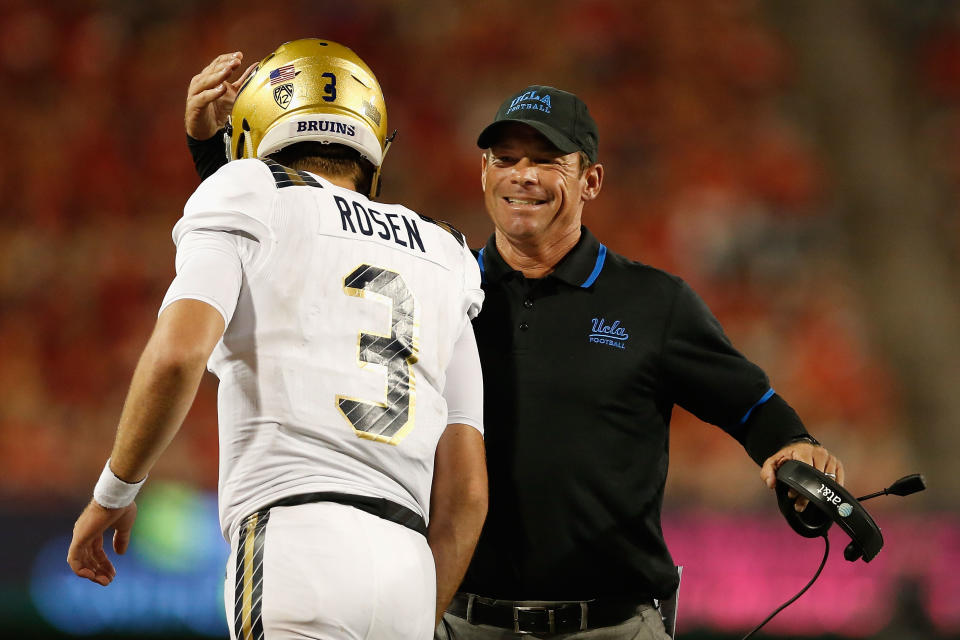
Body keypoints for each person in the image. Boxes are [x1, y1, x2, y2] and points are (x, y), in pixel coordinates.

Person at [184, 63, 846, 639]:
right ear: (482, 171)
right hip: (462, 619)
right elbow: (288, 244)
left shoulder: (653, 303)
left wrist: (794, 447)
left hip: (611, 627)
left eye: (546, 160)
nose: (522, 176)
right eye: (505, 158)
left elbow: (754, 410)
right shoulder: (437, 283)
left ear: (591, 180)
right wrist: (213, 154)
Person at [67, 38, 488, 640]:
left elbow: (178, 354)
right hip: (408, 564)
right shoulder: (447, 254)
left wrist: (114, 491)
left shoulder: (244, 190)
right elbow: (468, 493)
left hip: (293, 538)